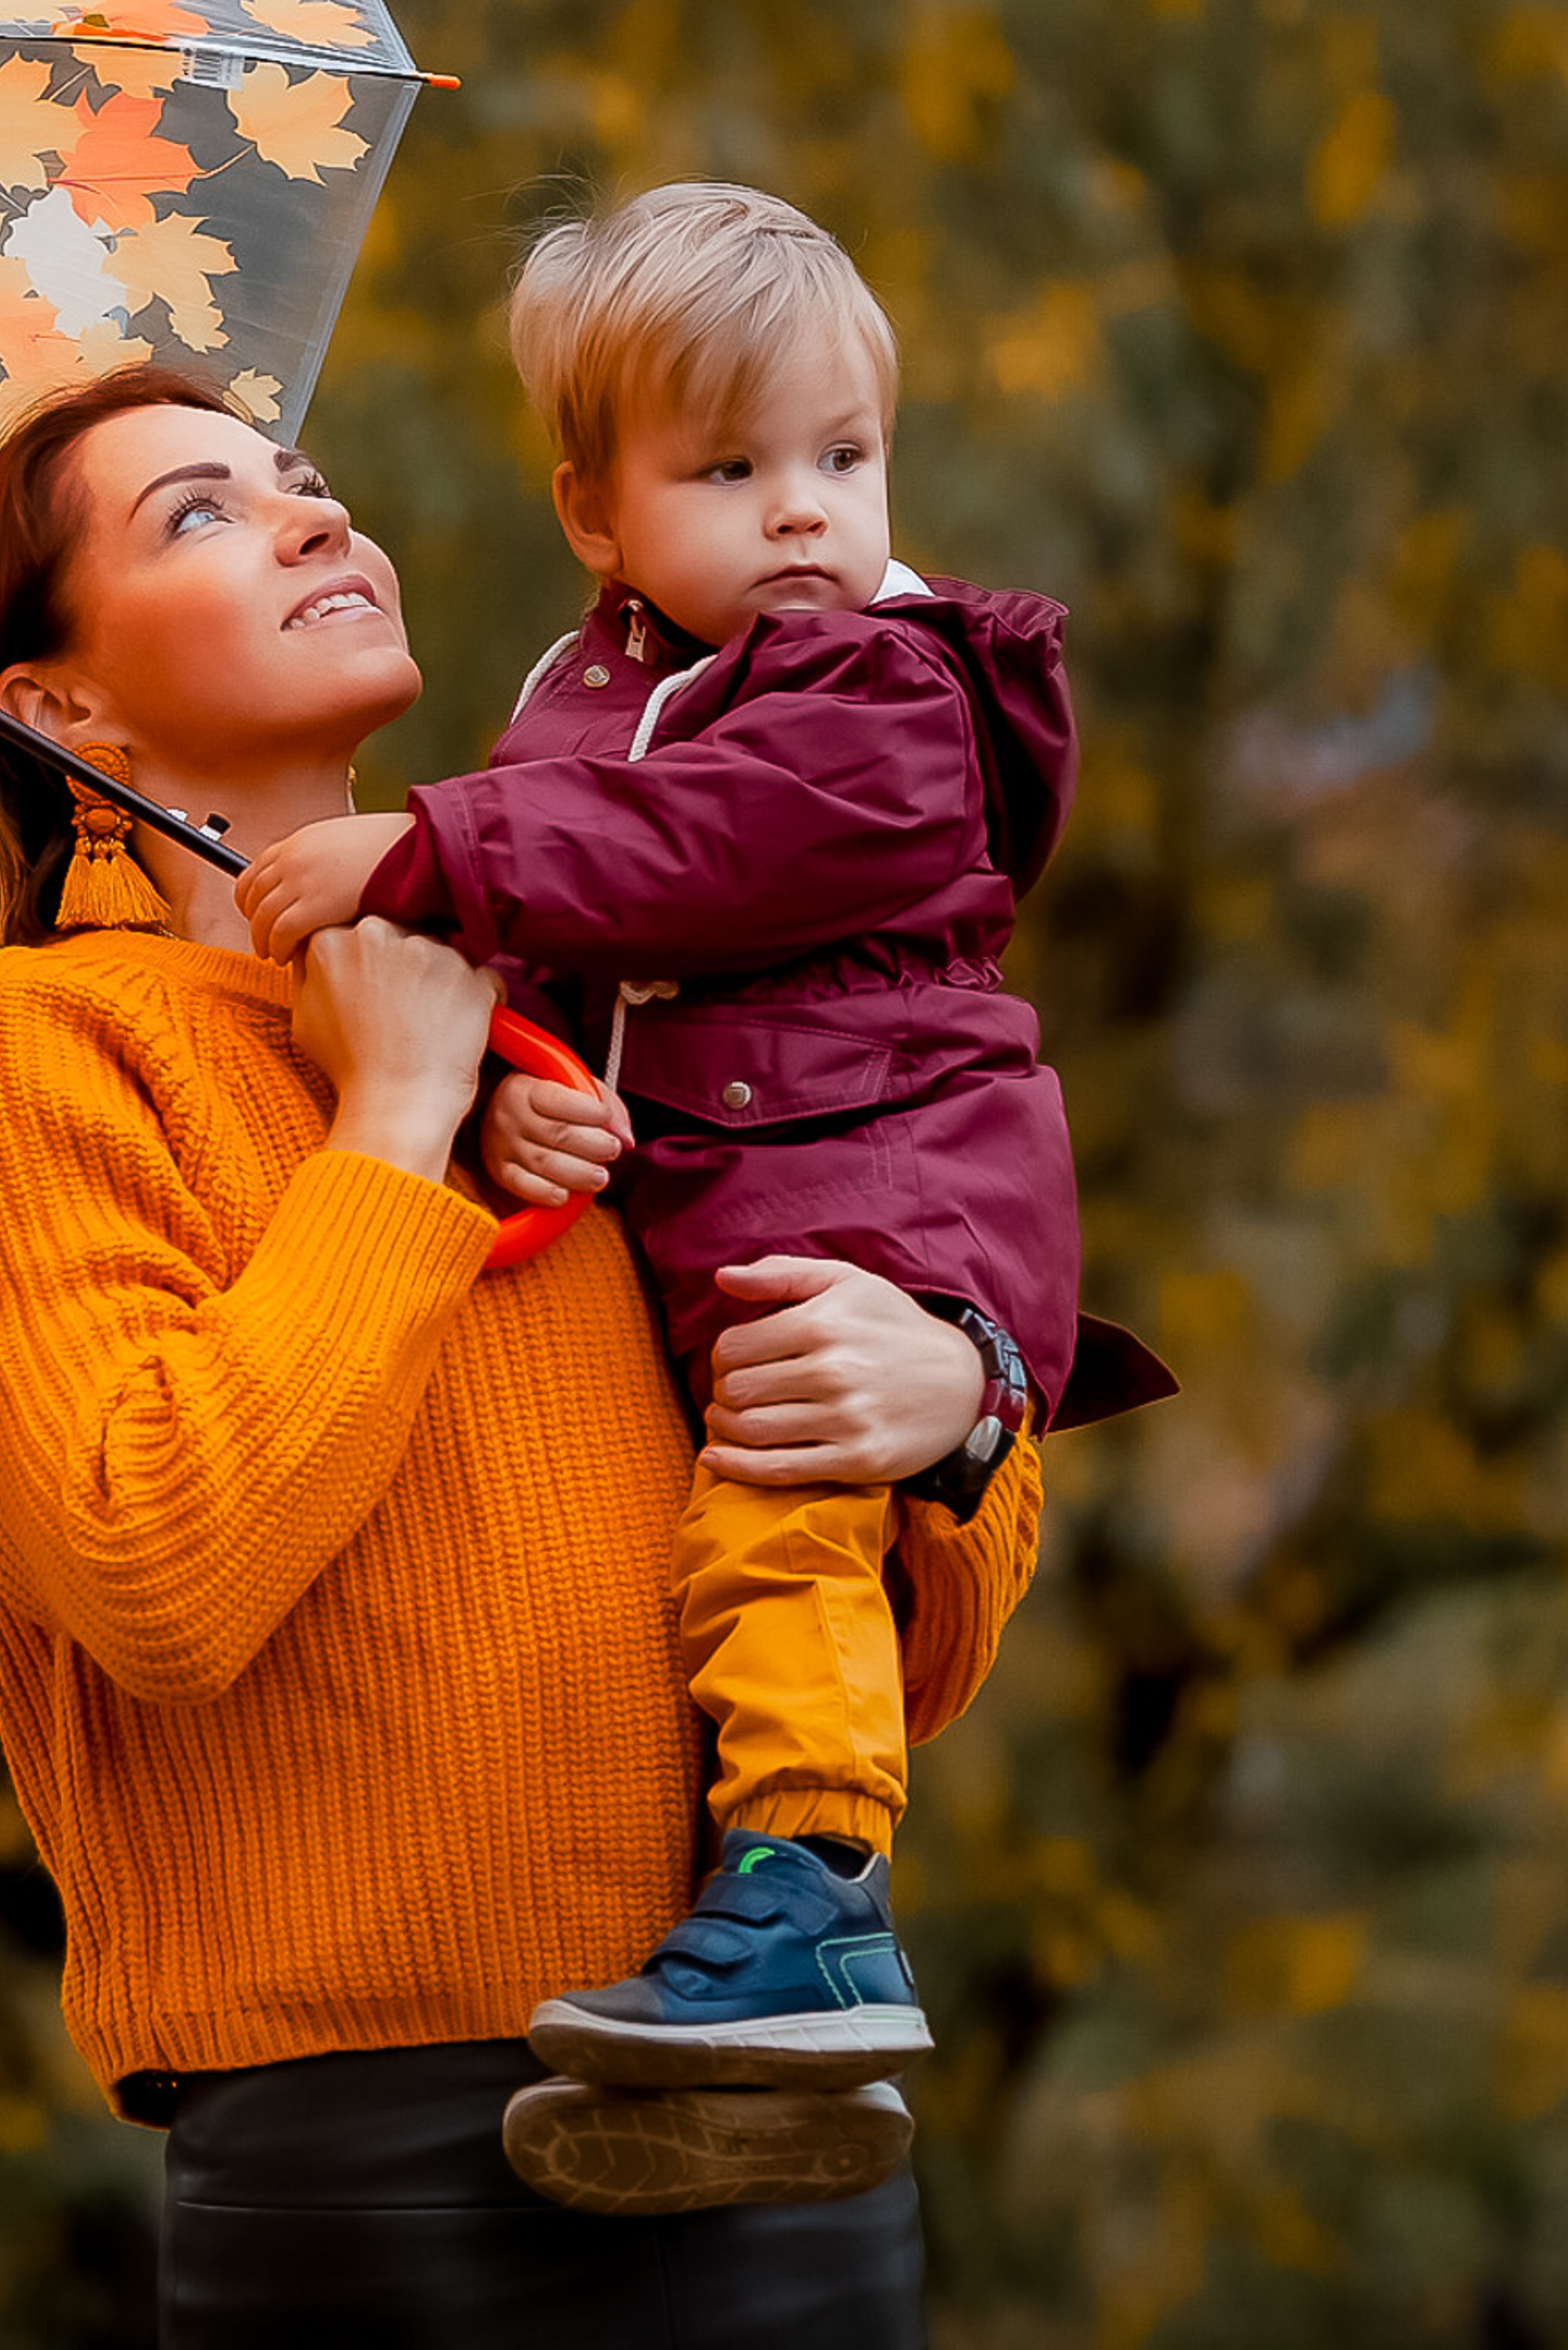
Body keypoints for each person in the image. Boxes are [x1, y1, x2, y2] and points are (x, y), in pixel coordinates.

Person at [0, 363, 1050, 2349]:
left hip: (774, 2114)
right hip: (378, 2166)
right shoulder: (36, 1053)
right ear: (54, 702)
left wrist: (956, 1411)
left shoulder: (601, 1028)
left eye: (308, 480)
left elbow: (895, 1665)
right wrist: (395, 1120)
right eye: (201, 515)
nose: (316, 518)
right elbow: (165, 1572)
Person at [235, 185, 1175, 2104]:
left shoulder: (883, 691)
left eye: (847, 455)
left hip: (883, 1185)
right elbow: (585, 939)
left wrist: (428, 847)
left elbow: (701, 855)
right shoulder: (596, 693)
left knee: (775, 1524)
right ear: (600, 514)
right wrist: (530, 1084)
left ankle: (814, 1889)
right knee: (737, 1539)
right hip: (750, 1177)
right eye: (735, 467)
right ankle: (744, 1976)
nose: (811, 510)